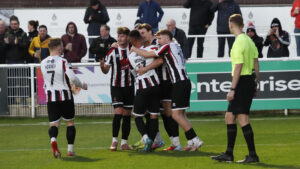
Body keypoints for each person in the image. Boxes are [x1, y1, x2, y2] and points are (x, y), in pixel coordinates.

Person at [131, 30, 203, 151]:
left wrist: (134, 49)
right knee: (181, 114)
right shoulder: (176, 46)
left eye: (160, 39)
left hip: (179, 83)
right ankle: (191, 142)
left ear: (167, 38)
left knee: (175, 115)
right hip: (183, 81)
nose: (158, 41)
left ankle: (195, 139)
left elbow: (148, 55)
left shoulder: (167, 46)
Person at [211, 14, 260, 163]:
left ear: (231, 25)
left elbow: (238, 66)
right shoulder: (249, 41)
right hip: (248, 80)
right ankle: (229, 154)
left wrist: (232, 88)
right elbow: (256, 62)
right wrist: (255, 82)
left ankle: (252, 155)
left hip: (242, 82)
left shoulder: (239, 42)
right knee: (229, 116)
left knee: (242, 117)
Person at [41, 38, 88, 158]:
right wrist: (82, 85)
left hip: (51, 98)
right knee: (70, 123)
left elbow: (45, 82)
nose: (63, 48)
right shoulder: (63, 61)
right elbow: (72, 78)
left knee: (54, 125)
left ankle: (53, 140)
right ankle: (70, 150)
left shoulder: (43, 62)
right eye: (61, 46)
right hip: (65, 96)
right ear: (58, 47)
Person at [100, 27, 134, 151]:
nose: (119, 38)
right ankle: (114, 141)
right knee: (118, 113)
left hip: (130, 87)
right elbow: (106, 71)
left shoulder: (133, 50)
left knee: (127, 115)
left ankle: (124, 142)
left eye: (122, 36)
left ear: (128, 37)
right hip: (116, 87)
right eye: (119, 36)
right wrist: (102, 66)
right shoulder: (112, 51)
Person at [128, 30, 161, 152]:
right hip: (155, 84)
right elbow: (159, 60)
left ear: (131, 41)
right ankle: (151, 144)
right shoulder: (151, 47)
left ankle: (146, 138)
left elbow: (136, 71)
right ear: (140, 38)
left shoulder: (131, 55)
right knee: (153, 116)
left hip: (142, 86)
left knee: (137, 115)